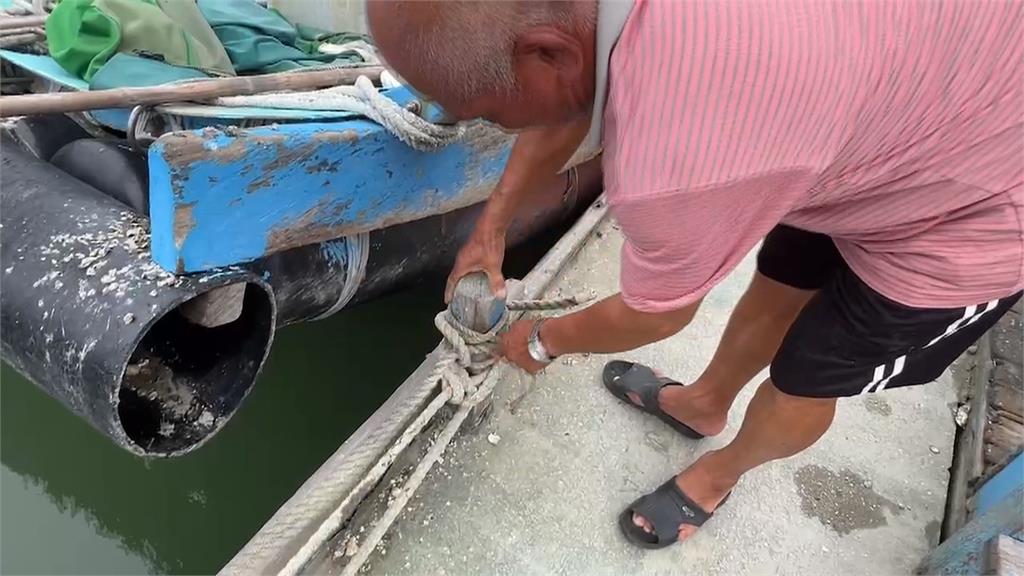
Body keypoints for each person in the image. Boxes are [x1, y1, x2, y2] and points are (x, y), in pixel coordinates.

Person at [368, 0, 1024, 549]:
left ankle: (719, 474)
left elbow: (659, 310)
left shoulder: (679, 151)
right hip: (885, 111)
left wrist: (540, 341)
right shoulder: (585, 24)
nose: (489, 125)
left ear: (548, 52)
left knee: (810, 374)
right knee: (782, 275)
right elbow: (565, 102)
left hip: (979, 207)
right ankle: (706, 403)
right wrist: (490, 234)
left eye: (484, 110)